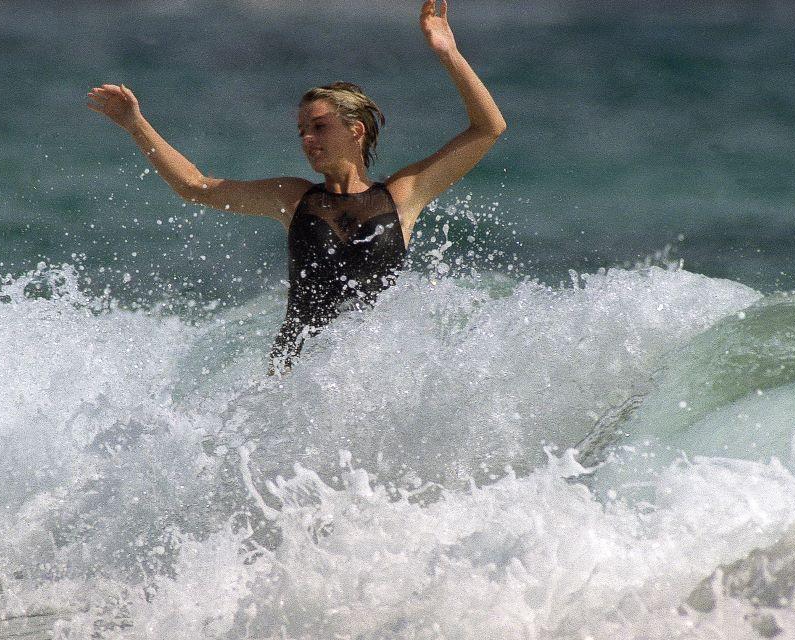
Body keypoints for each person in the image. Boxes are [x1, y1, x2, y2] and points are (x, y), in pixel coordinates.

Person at [87, 0, 506, 374]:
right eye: (302, 130)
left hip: (371, 384)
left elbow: (489, 128)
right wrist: (135, 125)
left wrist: (449, 54)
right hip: (293, 382)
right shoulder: (295, 198)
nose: (307, 139)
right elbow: (196, 186)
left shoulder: (402, 195)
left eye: (319, 127)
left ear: (355, 130)